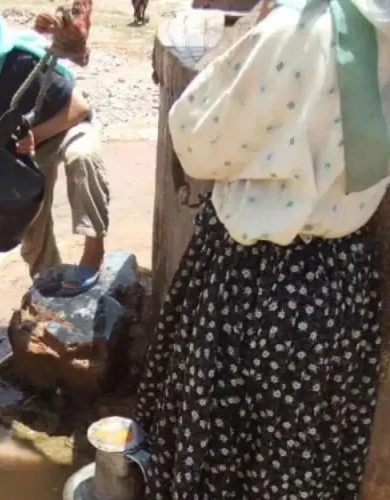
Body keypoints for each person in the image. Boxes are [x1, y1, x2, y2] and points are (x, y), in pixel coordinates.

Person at [135, 0, 389, 498]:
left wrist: (251, 27)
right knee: (300, 455)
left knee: (216, 447)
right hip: (341, 281)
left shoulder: (295, 30)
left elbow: (197, 140)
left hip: (251, 276)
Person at [0, 0, 111, 296]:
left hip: (65, 126)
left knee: (82, 157)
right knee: (25, 206)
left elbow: (80, 108)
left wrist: (36, 134)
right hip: (25, 149)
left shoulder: (21, 62)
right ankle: (46, 276)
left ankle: (93, 252)